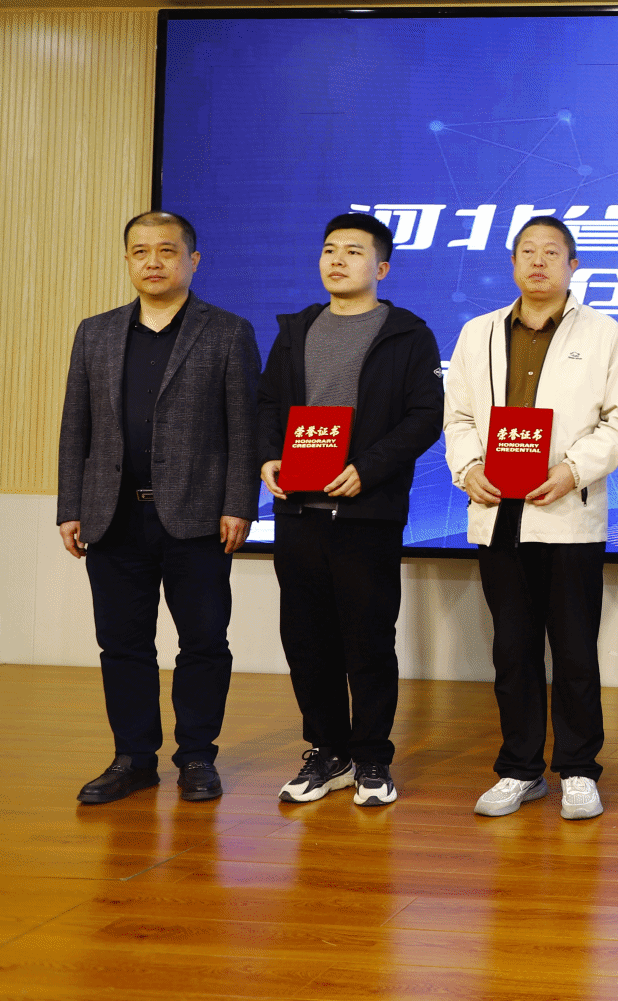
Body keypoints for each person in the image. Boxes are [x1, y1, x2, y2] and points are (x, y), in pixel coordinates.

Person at [57, 211, 260, 805]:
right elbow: (75, 428)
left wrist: (239, 504)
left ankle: (196, 757)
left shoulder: (227, 332)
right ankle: (133, 758)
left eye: (167, 251)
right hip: (112, 514)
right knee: (122, 645)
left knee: (203, 643)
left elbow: (244, 429)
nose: (153, 261)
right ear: (127, 260)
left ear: (192, 261)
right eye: (140, 251)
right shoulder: (95, 333)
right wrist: (70, 505)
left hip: (198, 517)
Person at [442, 215, 618, 821]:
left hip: (567, 513)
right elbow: (459, 417)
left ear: (573, 265)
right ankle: (520, 769)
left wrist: (573, 470)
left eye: (552, 253)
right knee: (512, 650)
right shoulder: (477, 332)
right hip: (497, 512)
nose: (538, 262)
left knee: (575, 651)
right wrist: (468, 467)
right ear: (512, 264)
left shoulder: (604, 333)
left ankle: (578, 769)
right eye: (527, 251)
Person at [255, 213, 443, 808]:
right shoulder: (297, 330)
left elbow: (425, 416)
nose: (337, 260)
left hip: (367, 514)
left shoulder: (407, 334)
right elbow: (268, 404)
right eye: (330, 249)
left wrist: (369, 468)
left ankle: (372, 757)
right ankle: (327, 751)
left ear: (381, 268)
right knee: (306, 639)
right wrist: (268, 456)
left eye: (354, 252)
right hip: (298, 512)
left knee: (368, 639)